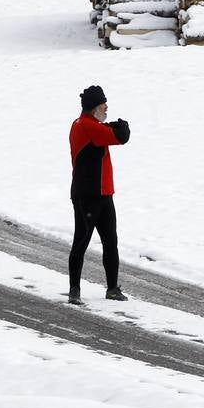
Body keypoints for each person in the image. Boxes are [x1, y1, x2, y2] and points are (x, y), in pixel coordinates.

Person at [68, 85, 131, 303]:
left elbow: (112, 133)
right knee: (81, 241)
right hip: (87, 196)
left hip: (104, 194)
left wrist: (115, 126)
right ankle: (74, 290)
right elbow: (121, 136)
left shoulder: (92, 125)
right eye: (103, 103)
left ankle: (112, 288)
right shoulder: (85, 126)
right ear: (94, 107)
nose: (106, 106)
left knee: (110, 241)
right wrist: (121, 125)